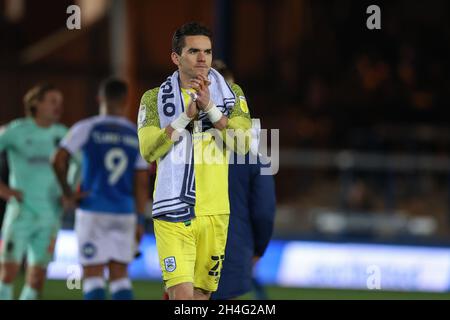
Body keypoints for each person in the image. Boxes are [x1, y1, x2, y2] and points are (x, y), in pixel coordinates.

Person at [137, 22, 252, 300]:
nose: (203, 58)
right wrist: (184, 118)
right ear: (176, 58)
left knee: (200, 299)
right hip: (172, 210)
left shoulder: (232, 95)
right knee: (182, 297)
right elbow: (148, 150)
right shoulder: (153, 99)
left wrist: (211, 109)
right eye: (193, 51)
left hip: (215, 212)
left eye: (207, 51)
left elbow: (244, 143)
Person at [52, 78, 149, 300]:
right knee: (120, 276)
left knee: (93, 275)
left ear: (100, 99)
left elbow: (58, 159)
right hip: (125, 212)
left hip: (93, 209)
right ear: (127, 100)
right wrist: (140, 220)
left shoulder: (86, 127)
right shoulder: (136, 135)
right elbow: (142, 182)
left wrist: (68, 193)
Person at [211, 61, 276, 300]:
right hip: (233, 250)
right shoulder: (253, 146)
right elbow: (264, 209)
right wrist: (258, 247)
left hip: (187, 252)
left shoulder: (181, 138)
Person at [0, 83, 67, 300]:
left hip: (51, 215)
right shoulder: (15, 131)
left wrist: (69, 192)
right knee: (7, 273)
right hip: (21, 212)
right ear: (36, 103)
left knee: (37, 278)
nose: (58, 106)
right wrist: (3, 190)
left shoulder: (63, 135)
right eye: (52, 101)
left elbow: (80, 166)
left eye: (60, 102)